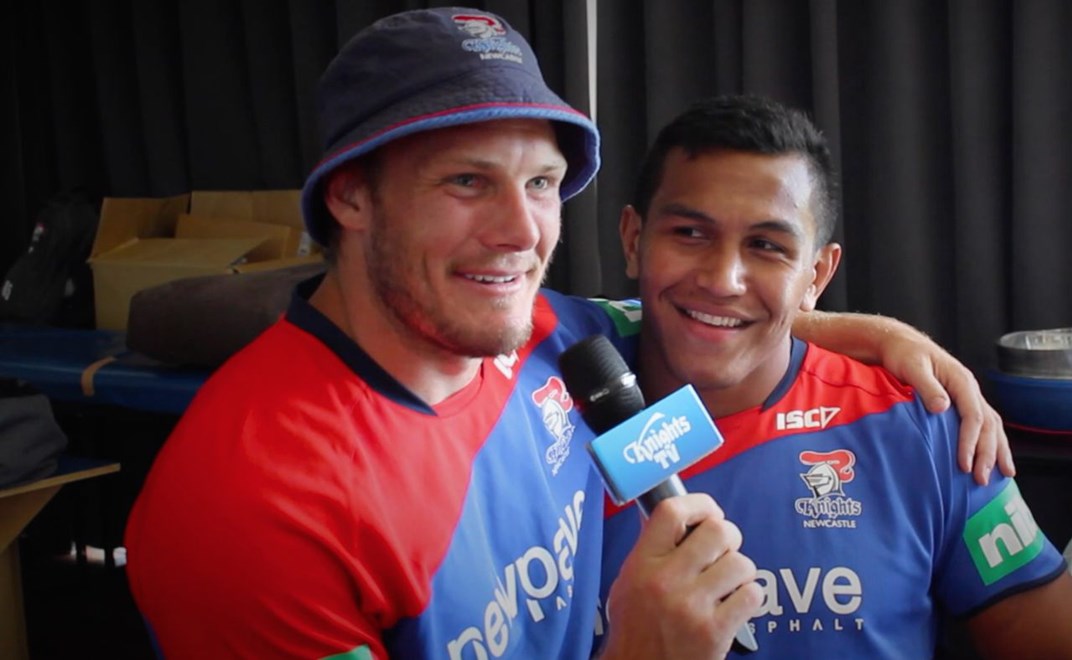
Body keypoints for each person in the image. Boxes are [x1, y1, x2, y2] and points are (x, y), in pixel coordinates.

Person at [124, 9, 1012, 659]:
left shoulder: (546, 338)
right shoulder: (248, 510)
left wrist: (873, 333)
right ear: (349, 195)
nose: (522, 233)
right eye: (468, 181)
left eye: (542, 182)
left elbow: (696, 311)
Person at [598, 94, 1072, 658]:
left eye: (767, 246)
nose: (723, 279)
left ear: (817, 275)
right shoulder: (541, 402)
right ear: (634, 239)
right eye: (690, 234)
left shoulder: (923, 424)